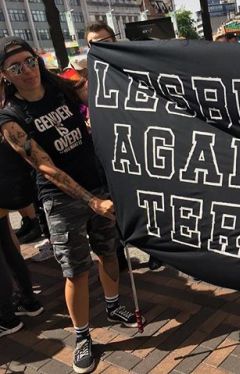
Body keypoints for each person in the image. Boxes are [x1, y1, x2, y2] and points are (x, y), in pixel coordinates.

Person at [0, 36, 143, 373]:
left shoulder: (61, 88)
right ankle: (82, 336)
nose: (27, 70)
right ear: (5, 74)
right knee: (76, 270)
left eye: (30, 60)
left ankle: (112, 305)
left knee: (108, 251)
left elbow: (94, 89)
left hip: (98, 185)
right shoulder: (11, 118)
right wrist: (92, 201)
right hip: (61, 199)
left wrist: (112, 55)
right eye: (15, 66)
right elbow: (46, 167)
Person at [85, 22, 163, 271]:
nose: (99, 48)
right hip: (110, 154)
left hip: (140, 148)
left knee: (148, 204)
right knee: (115, 206)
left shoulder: (134, 68)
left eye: (104, 42)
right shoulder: (90, 77)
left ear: (114, 40)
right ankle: (117, 253)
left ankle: (157, 251)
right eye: (93, 44)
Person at [0, 129, 44, 337]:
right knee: (8, 245)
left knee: (6, 249)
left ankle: (6, 317)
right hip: (6, 189)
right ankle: (28, 300)